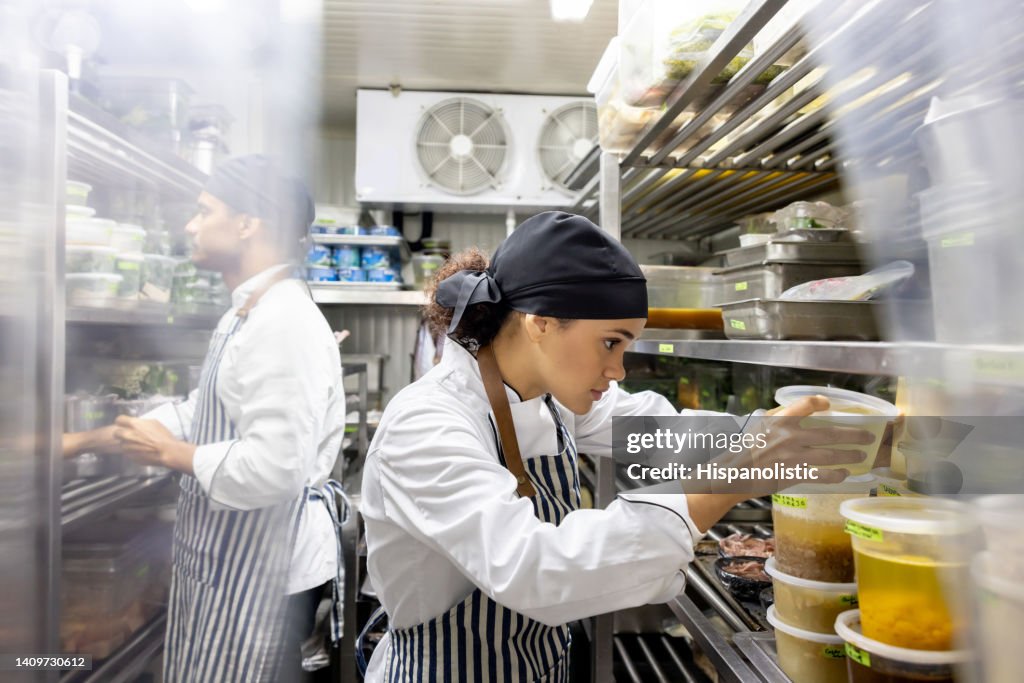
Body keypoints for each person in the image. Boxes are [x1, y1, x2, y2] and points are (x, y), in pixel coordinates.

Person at [359, 211, 872, 682]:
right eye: (610, 342)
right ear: (540, 322)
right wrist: (728, 480)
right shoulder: (427, 424)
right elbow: (532, 570)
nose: (618, 370)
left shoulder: (547, 395)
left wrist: (768, 432)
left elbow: (656, 432)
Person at [62, 155, 345, 682]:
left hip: (263, 574)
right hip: (234, 562)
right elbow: (204, 411)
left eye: (204, 211)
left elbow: (276, 467)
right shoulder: (248, 310)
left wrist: (171, 454)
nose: (191, 225)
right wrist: (85, 440)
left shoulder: (283, 321)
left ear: (247, 223)